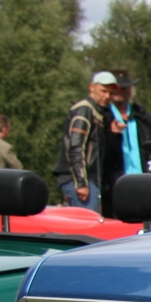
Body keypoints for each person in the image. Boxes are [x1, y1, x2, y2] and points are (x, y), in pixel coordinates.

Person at [101, 70, 151, 218]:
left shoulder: (142, 117)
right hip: (116, 184)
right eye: (117, 88)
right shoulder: (104, 117)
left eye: (124, 88)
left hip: (143, 182)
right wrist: (112, 135)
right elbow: (101, 152)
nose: (120, 91)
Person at [56, 71, 113, 210]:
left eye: (110, 93)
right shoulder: (84, 110)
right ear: (92, 87)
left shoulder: (98, 112)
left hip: (89, 179)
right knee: (89, 227)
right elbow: (76, 147)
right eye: (103, 91)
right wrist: (80, 183)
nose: (107, 96)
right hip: (81, 180)